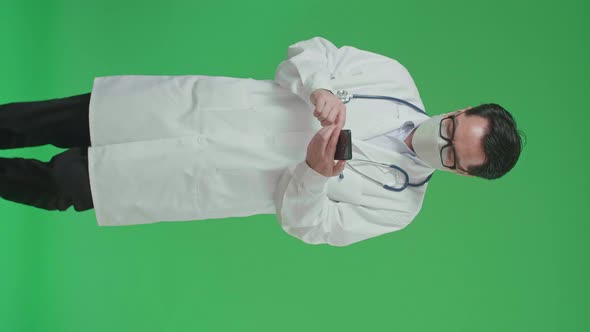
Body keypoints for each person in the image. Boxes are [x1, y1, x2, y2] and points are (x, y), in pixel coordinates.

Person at [0, 36, 523, 246]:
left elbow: (308, 226)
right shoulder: (393, 79)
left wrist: (315, 177)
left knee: (60, 184)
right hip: (185, 109)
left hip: (203, 178)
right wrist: (319, 85)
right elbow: (308, 50)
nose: (441, 139)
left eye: (452, 153)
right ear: (458, 110)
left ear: (459, 172)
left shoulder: (398, 207)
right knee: (39, 122)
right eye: (452, 127)